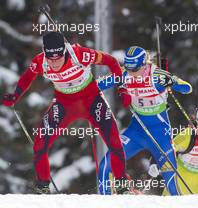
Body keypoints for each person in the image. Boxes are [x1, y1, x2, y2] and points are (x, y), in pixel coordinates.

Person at [2, 31, 129, 194]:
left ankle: (122, 184)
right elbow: (27, 77)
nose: (54, 63)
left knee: (113, 140)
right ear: (44, 53)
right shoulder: (40, 62)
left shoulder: (80, 54)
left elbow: (111, 61)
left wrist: (122, 86)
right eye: (50, 59)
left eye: (58, 58)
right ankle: (43, 187)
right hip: (65, 104)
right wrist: (15, 95)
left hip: (91, 100)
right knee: (40, 143)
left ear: (64, 52)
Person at [97, 46, 192, 195]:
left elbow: (187, 88)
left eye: (135, 70)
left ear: (144, 64)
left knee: (171, 183)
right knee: (105, 165)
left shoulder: (157, 76)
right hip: (137, 132)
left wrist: (172, 82)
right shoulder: (123, 74)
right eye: (128, 69)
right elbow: (96, 85)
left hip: (160, 133)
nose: (132, 74)